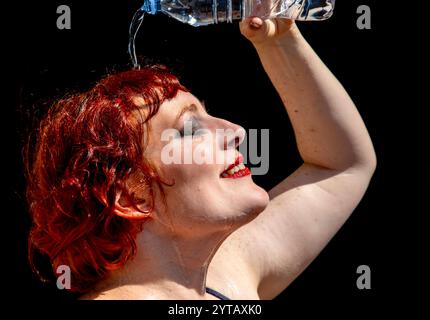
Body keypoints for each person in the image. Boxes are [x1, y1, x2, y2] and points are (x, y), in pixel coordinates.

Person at [25, 17, 377, 300]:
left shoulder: (226, 275)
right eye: (190, 129)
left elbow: (341, 165)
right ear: (130, 196)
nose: (236, 130)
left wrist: (279, 37)